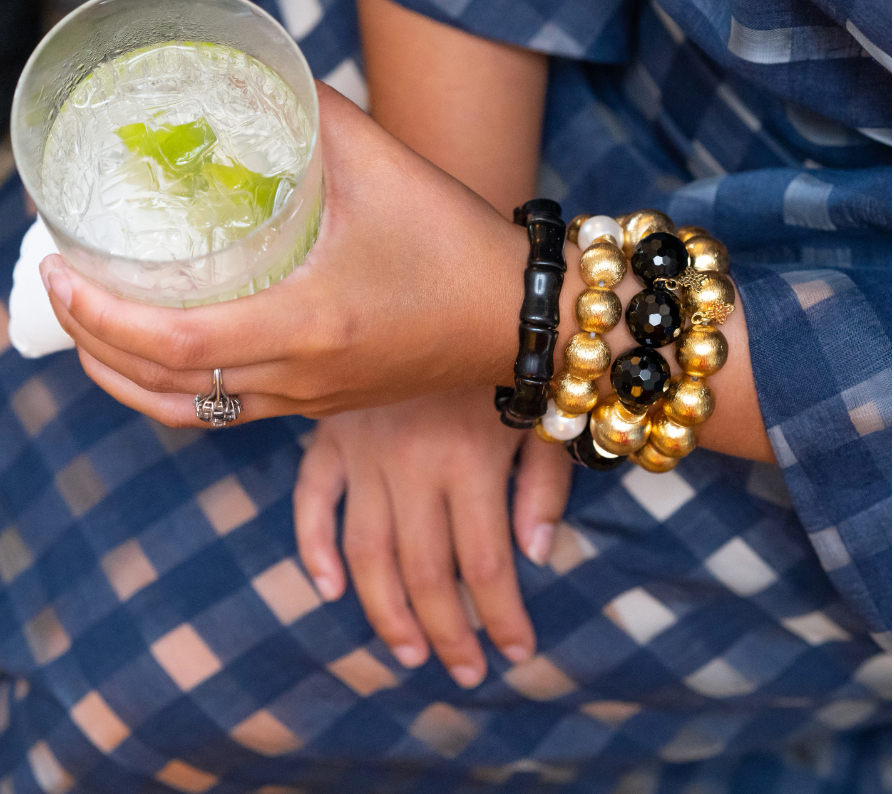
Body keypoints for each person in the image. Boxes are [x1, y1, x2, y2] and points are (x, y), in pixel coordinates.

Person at [3, 1, 890, 793]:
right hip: (488, 66)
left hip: (799, 412)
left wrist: (505, 324)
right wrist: (452, 201)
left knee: (137, 683)